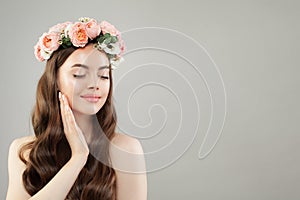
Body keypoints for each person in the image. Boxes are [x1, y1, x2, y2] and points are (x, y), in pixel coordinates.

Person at [6, 17, 147, 200]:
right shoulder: (24, 151)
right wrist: (78, 159)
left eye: (103, 76)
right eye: (80, 74)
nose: (94, 84)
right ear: (54, 80)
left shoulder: (125, 149)